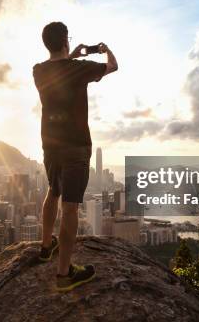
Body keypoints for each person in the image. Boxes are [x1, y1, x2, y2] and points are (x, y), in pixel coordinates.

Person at [33, 21, 118, 292]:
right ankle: (64, 273)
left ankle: (46, 246)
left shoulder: (38, 71)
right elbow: (113, 66)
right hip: (76, 147)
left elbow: (58, 69)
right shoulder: (79, 69)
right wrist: (105, 50)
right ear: (66, 40)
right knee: (70, 207)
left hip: (50, 144)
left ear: (47, 43)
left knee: (52, 192)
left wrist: (72, 55)